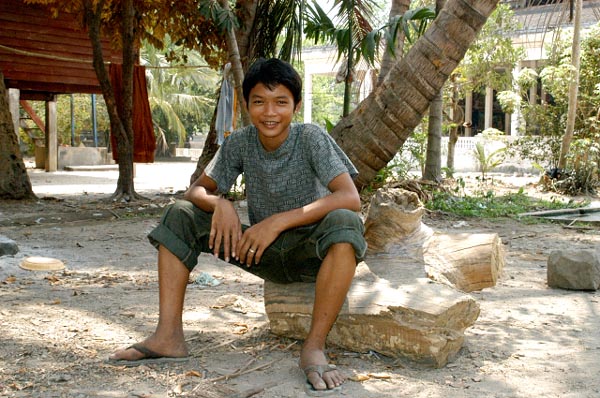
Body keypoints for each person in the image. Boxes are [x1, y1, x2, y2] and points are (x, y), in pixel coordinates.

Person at [108, 58, 367, 394]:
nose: (270, 112)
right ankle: (168, 336)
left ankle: (313, 347)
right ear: (247, 105)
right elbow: (196, 190)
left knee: (344, 221)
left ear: (296, 105)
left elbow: (349, 197)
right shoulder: (240, 142)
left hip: (311, 253)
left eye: (281, 103)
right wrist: (221, 204)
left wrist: (279, 221)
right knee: (181, 213)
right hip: (259, 251)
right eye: (259, 102)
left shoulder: (311, 137)